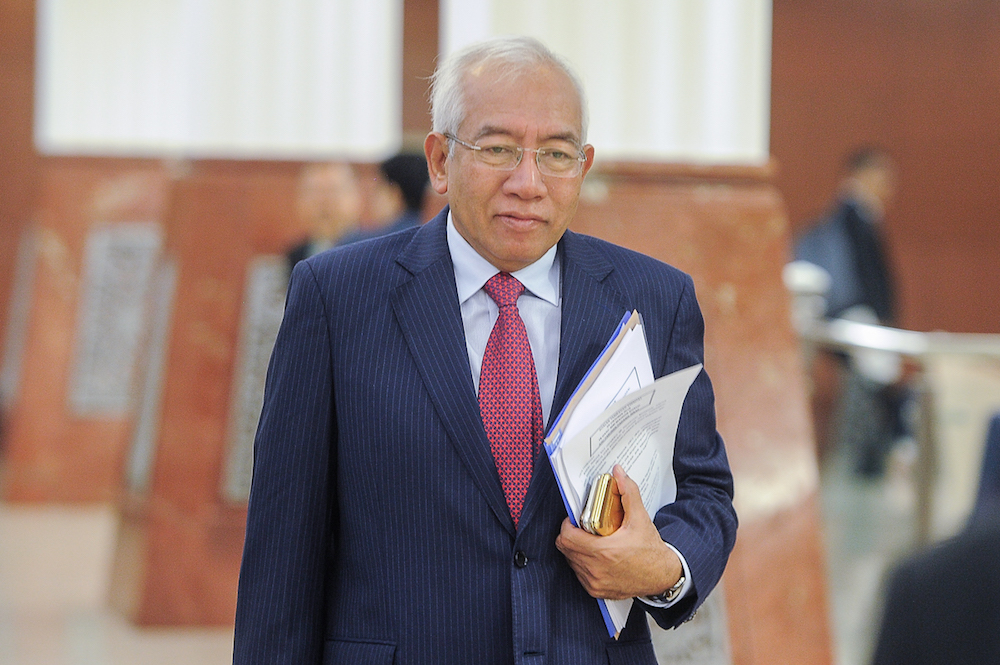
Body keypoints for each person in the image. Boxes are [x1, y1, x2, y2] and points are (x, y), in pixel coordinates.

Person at [233, 36, 736, 664]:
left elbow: (705, 491)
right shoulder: (338, 299)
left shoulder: (653, 300)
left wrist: (663, 565)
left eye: (555, 153)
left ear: (583, 166)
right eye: (498, 149)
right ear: (441, 161)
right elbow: (284, 552)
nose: (528, 183)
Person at [795, 147, 907, 477]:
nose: (888, 186)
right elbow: (867, 277)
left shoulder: (859, 218)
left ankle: (865, 455)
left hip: (858, 318)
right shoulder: (852, 216)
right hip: (853, 316)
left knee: (870, 382)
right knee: (874, 377)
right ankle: (866, 457)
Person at [336, 153, 429, 246]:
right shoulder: (432, 236)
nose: (371, 198)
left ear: (394, 195)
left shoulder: (361, 244)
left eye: (378, 189)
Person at [285, 161, 362, 274]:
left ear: (357, 198)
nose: (324, 201)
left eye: (333, 191)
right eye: (315, 192)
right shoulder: (289, 261)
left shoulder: (374, 253)